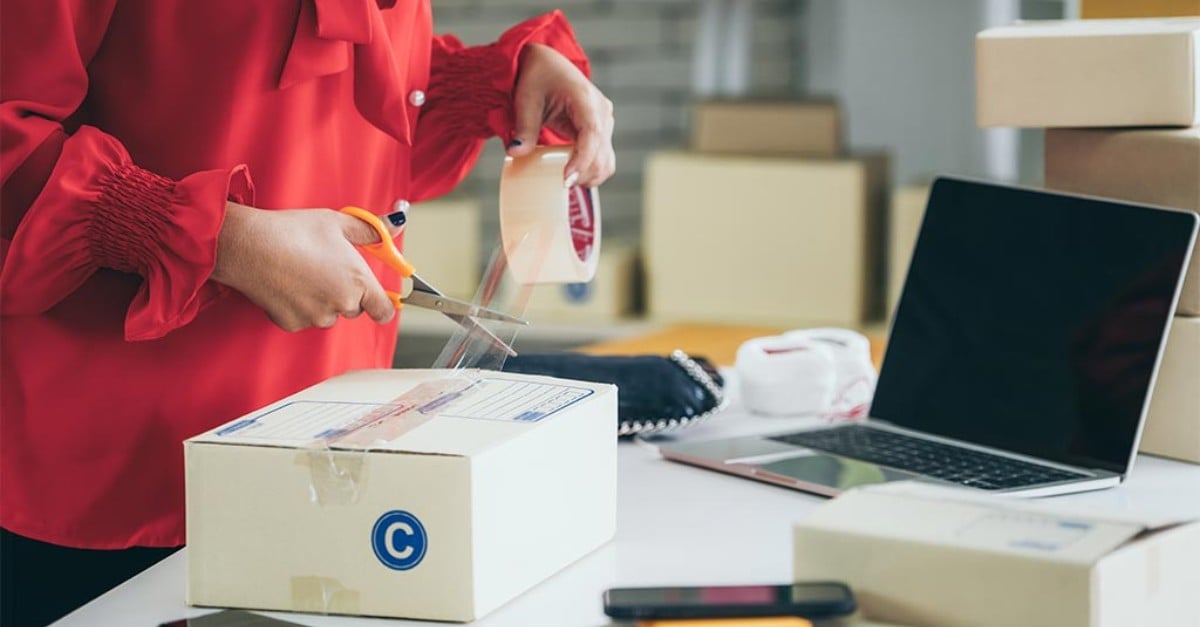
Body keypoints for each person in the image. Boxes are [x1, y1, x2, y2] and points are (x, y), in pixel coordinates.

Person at [0, 1, 615, 624]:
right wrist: (218, 239)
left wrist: (497, 84)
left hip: (326, 447)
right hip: (116, 460)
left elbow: (330, 119)